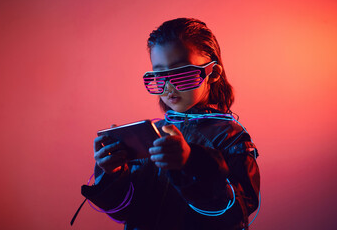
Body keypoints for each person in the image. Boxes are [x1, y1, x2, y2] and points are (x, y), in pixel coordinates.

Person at [81, 18, 260, 230]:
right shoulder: (150, 135)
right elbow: (126, 212)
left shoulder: (231, 137)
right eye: (159, 76)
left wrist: (192, 162)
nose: (169, 86)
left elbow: (236, 214)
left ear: (213, 74)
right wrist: (114, 173)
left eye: (182, 74)